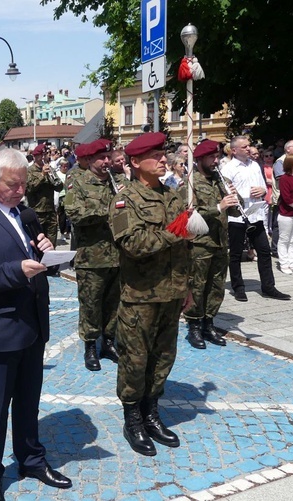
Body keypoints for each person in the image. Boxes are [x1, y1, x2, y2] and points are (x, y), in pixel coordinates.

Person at [0, 148, 72, 501]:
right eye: (14, 184)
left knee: (28, 401)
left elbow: (36, 259)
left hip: (32, 323)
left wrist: (47, 254)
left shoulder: (28, 214)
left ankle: (32, 459)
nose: (21, 190)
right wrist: (16, 270)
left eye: (24, 183)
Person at [108, 132, 193, 457]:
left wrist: (186, 288)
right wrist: (175, 233)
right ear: (134, 162)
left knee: (163, 358)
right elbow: (133, 244)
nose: (162, 159)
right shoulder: (123, 200)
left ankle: (151, 412)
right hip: (141, 296)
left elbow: (185, 248)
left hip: (171, 294)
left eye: (163, 154)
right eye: (155, 155)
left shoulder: (173, 197)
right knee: (135, 360)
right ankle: (133, 418)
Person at [63, 139, 121, 372]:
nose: (107, 161)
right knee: (90, 304)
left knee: (113, 304)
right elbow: (74, 213)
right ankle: (90, 346)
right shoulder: (78, 182)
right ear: (91, 160)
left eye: (109, 156)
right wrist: (108, 210)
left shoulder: (119, 181)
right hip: (91, 257)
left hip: (117, 255)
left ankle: (108, 342)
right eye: (102, 158)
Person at [182, 140, 239, 349]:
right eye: (211, 158)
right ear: (200, 159)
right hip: (201, 243)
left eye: (217, 157)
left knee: (216, 285)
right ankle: (194, 325)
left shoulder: (220, 179)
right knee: (197, 285)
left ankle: (209, 322)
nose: (216, 161)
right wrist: (218, 206)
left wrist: (234, 197)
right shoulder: (190, 183)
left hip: (220, 241)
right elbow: (188, 213)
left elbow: (232, 210)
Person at [221, 136, 290, 302]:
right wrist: (244, 195)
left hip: (256, 214)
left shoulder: (254, 165)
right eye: (244, 146)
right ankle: (238, 288)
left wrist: (261, 191)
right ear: (234, 150)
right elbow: (227, 192)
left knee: (264, 251)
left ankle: (268, 287)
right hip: (238, 216)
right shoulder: (228, 168)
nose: (248, 148)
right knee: (236, 253)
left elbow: (262, 186)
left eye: (248, 146)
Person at [26, 143, 63, 249]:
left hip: (50, 210)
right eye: (41, 155)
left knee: (52, 240)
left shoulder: (49, 168)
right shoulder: (30, 171)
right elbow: (30, 188)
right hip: (37, 211)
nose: (43, 157)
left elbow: (59, 187)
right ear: (35, 157)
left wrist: (53, 177)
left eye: (45, 155)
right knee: (38, 240)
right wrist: (42, 175)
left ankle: (52, 262)